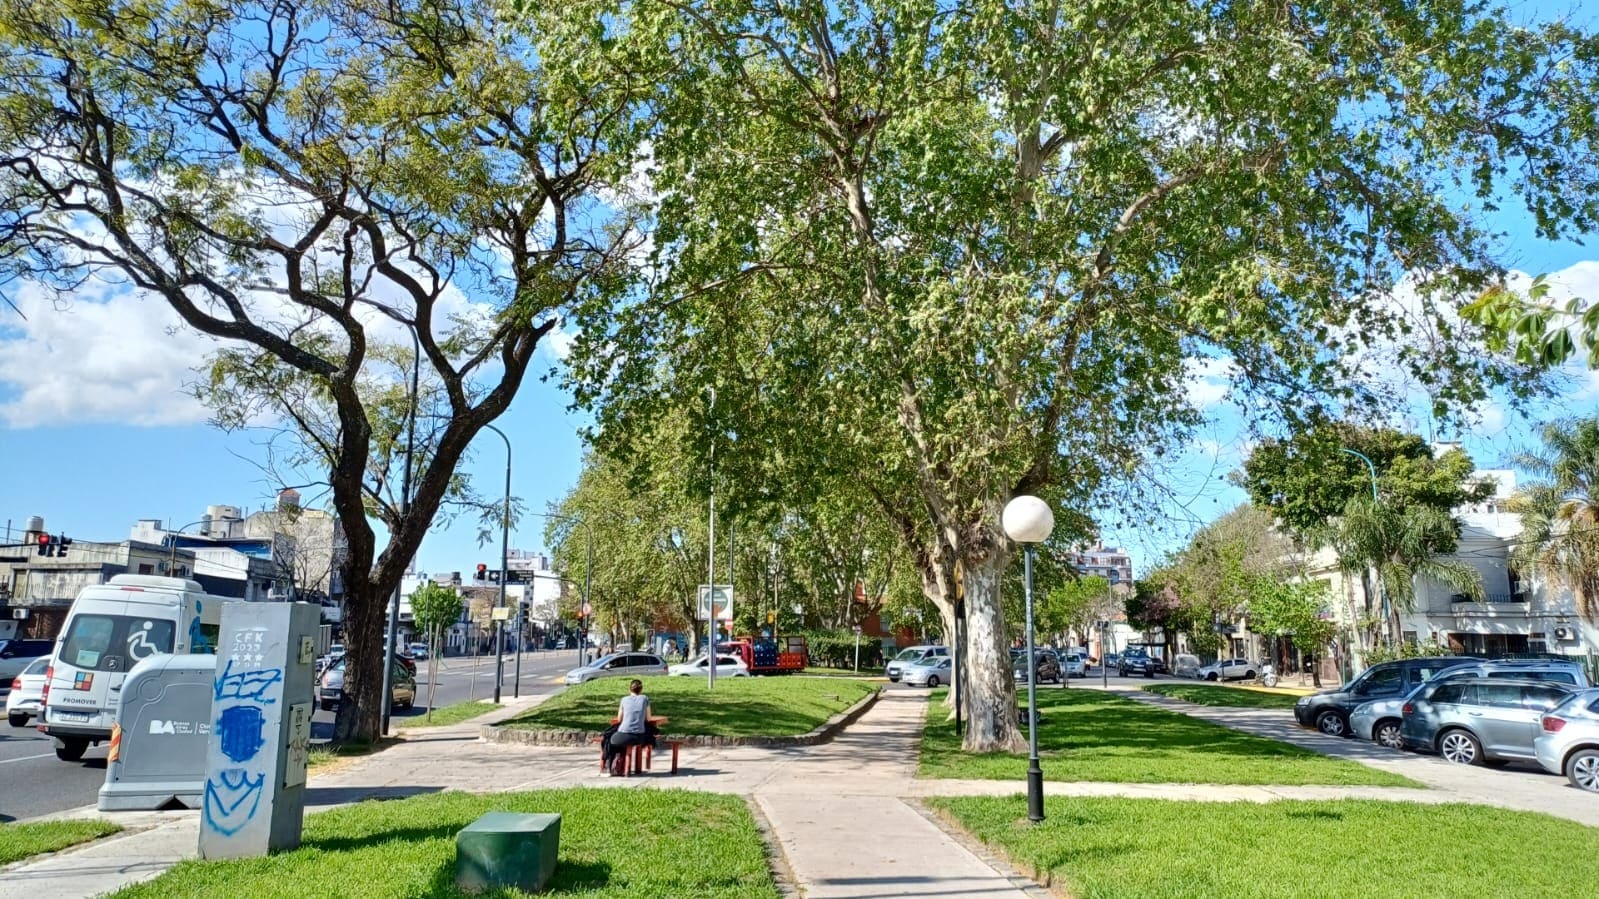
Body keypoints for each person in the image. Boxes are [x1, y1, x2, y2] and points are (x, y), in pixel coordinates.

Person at [603, 679, 655, 776]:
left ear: (629, 689)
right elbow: (649, 718)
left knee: (609, 738)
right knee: (619, 740)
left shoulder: (624, 700)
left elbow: (619, 719)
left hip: (624, 733)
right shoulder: (645, 699)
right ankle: (622, 768)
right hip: (639, 736)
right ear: (641, 689)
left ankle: (608, 767)